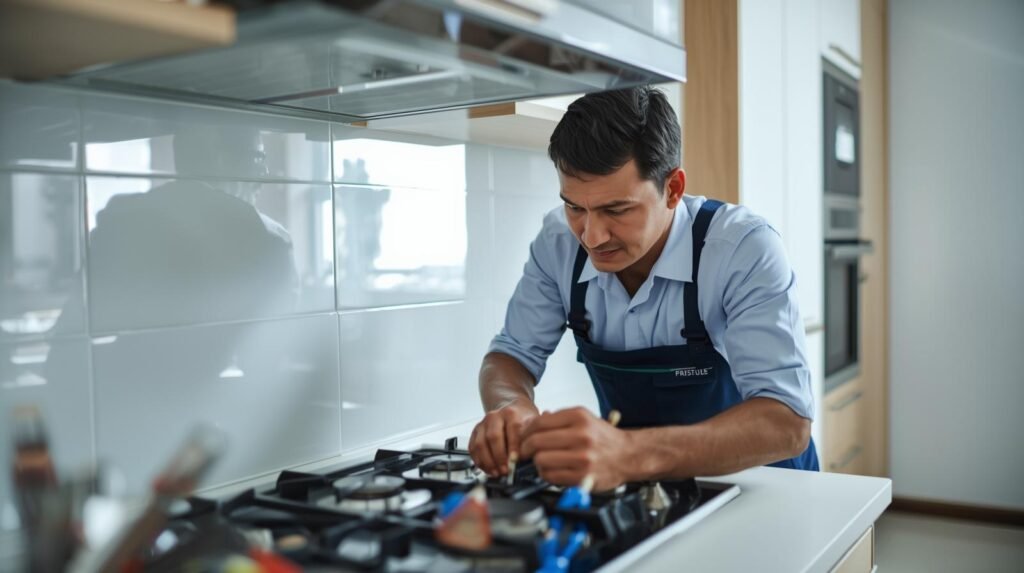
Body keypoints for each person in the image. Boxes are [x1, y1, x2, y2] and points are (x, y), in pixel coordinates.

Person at [468, 86, 819, 492]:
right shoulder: (557, 242)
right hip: (643, 490)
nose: (592, 236)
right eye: (574, 207)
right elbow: (510, 356)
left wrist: (628, 453)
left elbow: (786, 422)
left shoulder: (742, 248)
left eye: (616, 210)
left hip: (770, 489)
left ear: (673, 189)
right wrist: (513, 411)